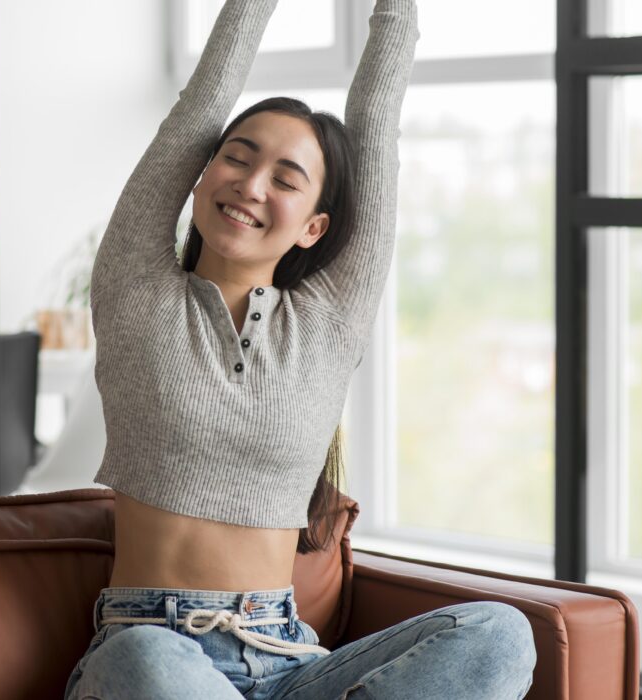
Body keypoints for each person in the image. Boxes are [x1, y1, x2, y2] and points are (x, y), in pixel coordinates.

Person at [64, 0, 539, 698]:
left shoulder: (331, 319)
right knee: (146, 662)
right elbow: (201, 103)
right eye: (237, 157)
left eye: (285, 179)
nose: (251, 186)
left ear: (315, 226)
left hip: (290, 662)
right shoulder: (137, 292)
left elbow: (375, 122)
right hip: (154, 651)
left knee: (499, 632)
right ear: (199, 176)